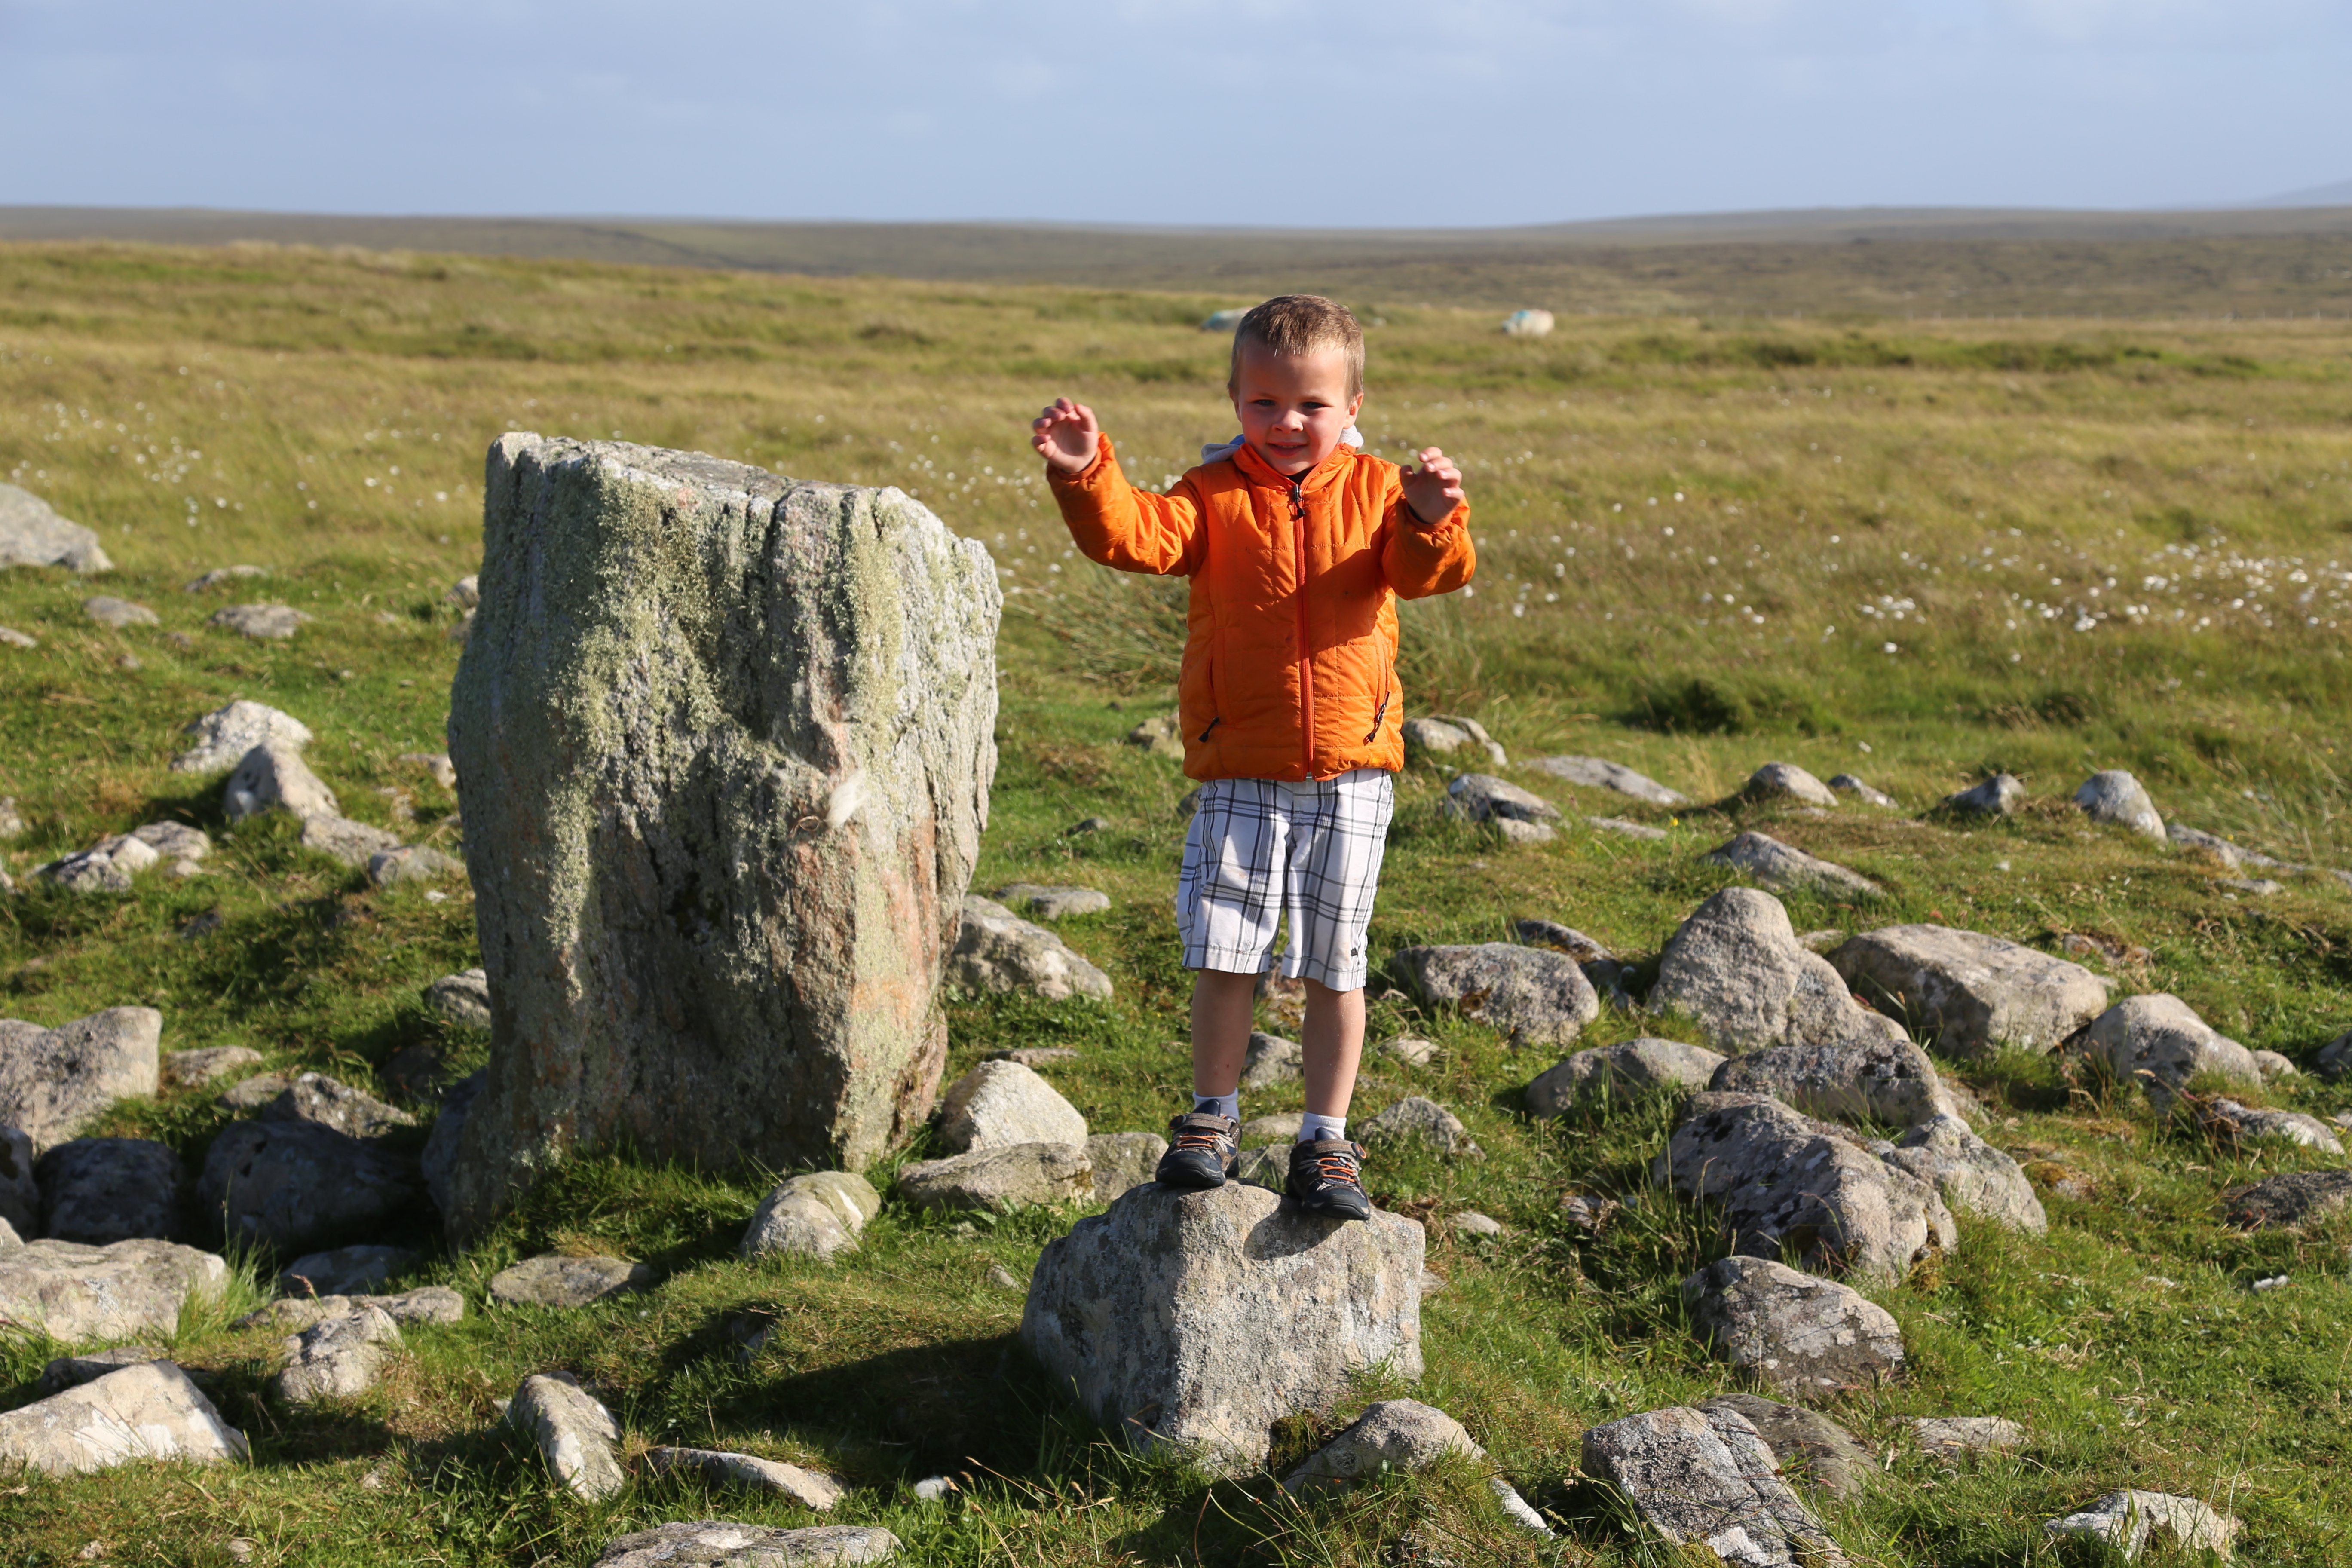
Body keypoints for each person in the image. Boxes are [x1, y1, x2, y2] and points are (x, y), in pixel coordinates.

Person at [1029, 294, 1474, 1220]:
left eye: (1311, 405)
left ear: (1354, 405)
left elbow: (1428, 574)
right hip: (1240, 768)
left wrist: (1433, 517)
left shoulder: (1383, 491)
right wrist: (1087, 476)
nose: (1286, 424)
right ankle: (1212, 1119)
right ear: (1235, 399)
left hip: (1352, 770)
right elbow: (1136, 538)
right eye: (1263, 404)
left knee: (1335, 964)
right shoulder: (1213, 495)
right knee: (1226, 950)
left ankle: (1326, 1138)